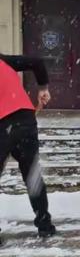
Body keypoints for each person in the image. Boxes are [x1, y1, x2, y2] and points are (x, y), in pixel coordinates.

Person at [0, 53, 56, 243]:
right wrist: (43, 88)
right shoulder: (3, 60)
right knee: (32, 176)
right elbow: (37, 61)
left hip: (2, 124)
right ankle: (45, 226)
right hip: (25, 120)